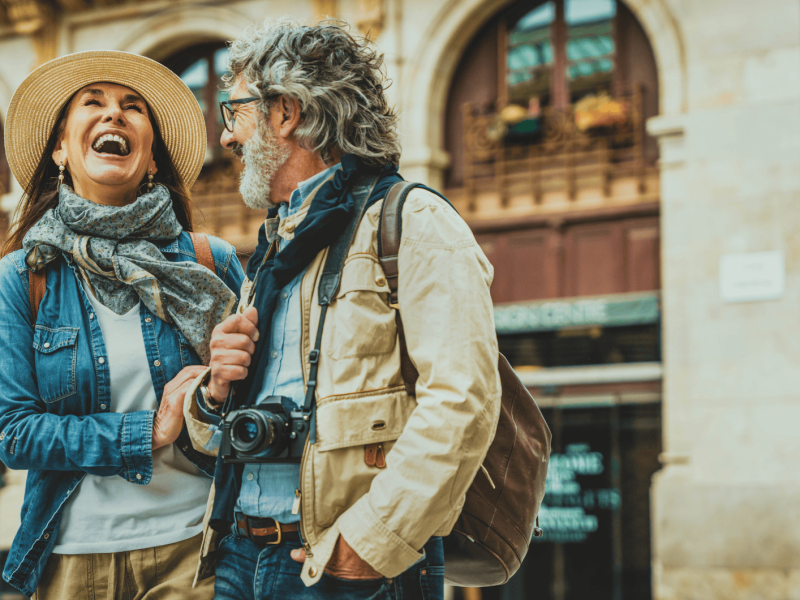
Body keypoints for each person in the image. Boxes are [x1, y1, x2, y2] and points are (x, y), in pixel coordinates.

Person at [182, 19, 502, 600]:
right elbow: (216, 442)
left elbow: (464, 400)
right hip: (239, 557)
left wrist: (372, 541)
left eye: (236, 113)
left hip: (338, 566)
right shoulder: (277, 245)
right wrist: (215, 394)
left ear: (285, 113)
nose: (226, 138)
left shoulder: (415, 222)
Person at [0, 51, 245, 599]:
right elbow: (12, 433)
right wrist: (147, 432)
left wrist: (218, 398)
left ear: (152, 157)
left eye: (133, 108)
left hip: (198, 546)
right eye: (94, 103)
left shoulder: (211, 263)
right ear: (61, 148)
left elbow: (257, 409)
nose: (114, 115)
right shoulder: (22, 278)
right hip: (72, 558)